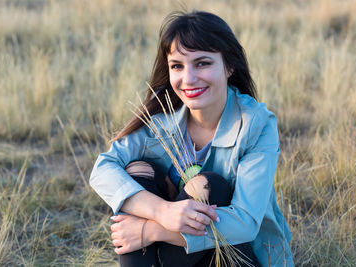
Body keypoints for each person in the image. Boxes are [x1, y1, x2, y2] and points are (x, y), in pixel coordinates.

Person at [90, 10, 293, 267]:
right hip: (168, 256)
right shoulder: (160, 118)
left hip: (234, 256)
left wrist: (152, 230)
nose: (188, 78)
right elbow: (103, 169)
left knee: (210, 185)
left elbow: (245, 222)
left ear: (229, 66)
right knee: (138, 171)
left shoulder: (256, 124)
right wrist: (161, 212)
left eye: (203, 63)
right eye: (177, 66)